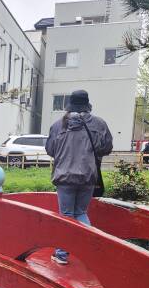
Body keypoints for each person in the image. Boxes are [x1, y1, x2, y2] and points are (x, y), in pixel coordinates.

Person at [45, 89, 113, 265]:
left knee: (66, 215)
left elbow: (50, 150)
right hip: (88, 175)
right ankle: (89, 250)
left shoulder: (58, 125)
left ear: (69, 105)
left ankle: (61, 254)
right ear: (87, 104)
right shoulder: (99, 124)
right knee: (81, 212)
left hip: (65, 176)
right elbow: (106, 148)